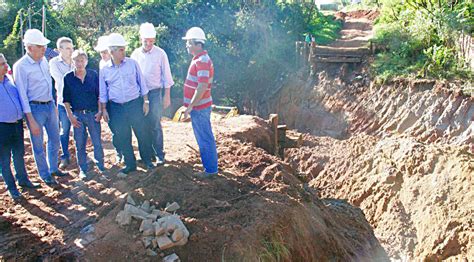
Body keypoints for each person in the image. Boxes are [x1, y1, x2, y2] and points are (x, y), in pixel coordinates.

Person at [13, 29, 68, 186]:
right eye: (40, 46)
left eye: (44, 46)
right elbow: (22, 94)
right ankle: (45, 175)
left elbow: (48, 84)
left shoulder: (44, 61)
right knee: (37, 144)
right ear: (30, 48)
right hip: (34, 108)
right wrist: (30, 119)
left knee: (55, 138)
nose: (44, 49)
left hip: (49, 105)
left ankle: (53, 168)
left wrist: (53, 103)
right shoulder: (20, 67)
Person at [99, 33, 154, 175]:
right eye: (121, 50)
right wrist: (104, 109)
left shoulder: (132, 63)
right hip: (116, 107)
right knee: (123, 136)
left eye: (124, 49)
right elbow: (103, 91)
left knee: (142, 132)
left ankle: (147, 160)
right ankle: (130, 164)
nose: (124, 52)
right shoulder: (104, 70)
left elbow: (142, 83)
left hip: (134, 104)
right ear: (112, 51)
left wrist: (146, 101)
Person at [131, 23, 174, 166]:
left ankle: (159, 154)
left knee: (155, 123)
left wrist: (166, 96)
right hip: (139, 95)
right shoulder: (135, 54)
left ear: (154, 40)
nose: (148, 44)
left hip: (155, 93)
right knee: (142, 125)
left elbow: (166, 76)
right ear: (140, 39)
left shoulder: (160, 54)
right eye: (145, 41)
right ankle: (147, 155)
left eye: (151, 41)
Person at [0, 53, 40, 200]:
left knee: (19, 153)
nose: (6, 66)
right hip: (2, 127)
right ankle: (12, 188)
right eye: (2, 64)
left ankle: (23, 179)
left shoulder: (9, 81)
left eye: (5, 63)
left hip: (16, 125)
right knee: (4, 159)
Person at [181, 27, 218, 178]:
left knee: (204, 138)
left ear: (198, 44)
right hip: (200, 107)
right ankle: (209, 167)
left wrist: (190, 106)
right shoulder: (199, 59)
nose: (187, 45)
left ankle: (210, 171)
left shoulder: (202, 61)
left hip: (200, 108)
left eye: (189, 42)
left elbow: (202, 86)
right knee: (203, 137)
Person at [63, 50, 105, 180]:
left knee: (97, 141)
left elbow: (100, 95)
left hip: (93, 114)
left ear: (86, 61)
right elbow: (66, 100)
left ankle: (101, 166)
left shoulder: (93, 75)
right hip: (78, 115)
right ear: (73, 61)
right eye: (76, 60)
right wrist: (71, 117)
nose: (79, 63)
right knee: (79, 143)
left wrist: (100, 111)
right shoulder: (68, 77)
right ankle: (83, 169)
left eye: (82, 60)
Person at [95, 35, 123, 164]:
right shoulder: (102, 65)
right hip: (110, 103)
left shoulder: (122, 62)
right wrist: (103, 108)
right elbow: (102, 90)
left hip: (122, 101)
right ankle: (119, 152)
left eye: (105, 52)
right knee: (114, 129)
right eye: (101, 52)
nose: (103, 55)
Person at [49, 37, 74, 168]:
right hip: (63, 102)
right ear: (60, 49)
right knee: (64, 130)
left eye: (72, 47)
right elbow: (62, 81)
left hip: (78, 103)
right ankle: (65, 156)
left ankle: (82, 154)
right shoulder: (54, 63)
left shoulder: (76, 61)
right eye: (68, 48)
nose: (71, 50)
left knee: (79, 130)